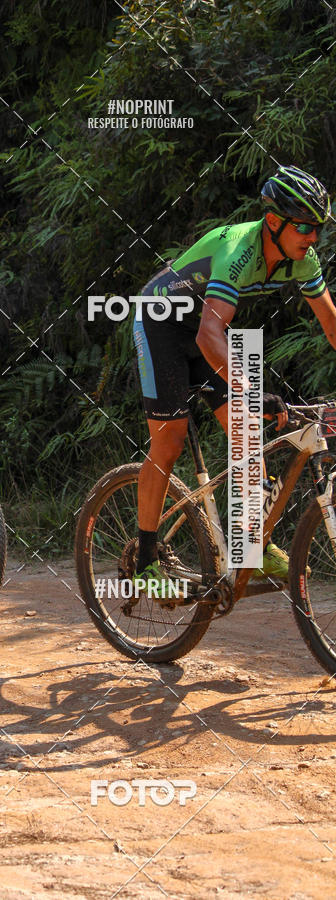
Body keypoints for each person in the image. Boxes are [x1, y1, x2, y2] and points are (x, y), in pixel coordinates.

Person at [133, 165, 335, 589]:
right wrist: (254, 391)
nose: (312, 237)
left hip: (208, 330)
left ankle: (250, 549)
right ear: (275, 222)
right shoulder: (238, 249)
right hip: (161, 322)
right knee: (168, 443)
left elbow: (332, 326)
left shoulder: (303, 258)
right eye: (304, 227)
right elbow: (209, 335)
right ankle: (146, 561)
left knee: (246, 427)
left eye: (318, 228)